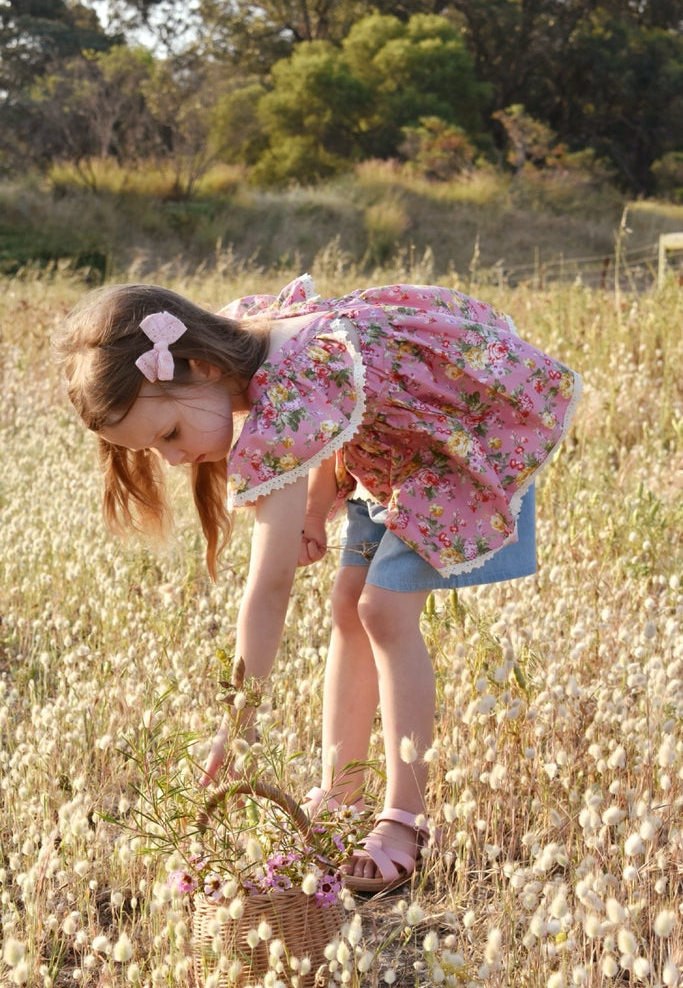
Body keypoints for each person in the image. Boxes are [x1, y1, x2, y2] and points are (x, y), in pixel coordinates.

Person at [53, 274, 581, 895]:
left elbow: (270, 582)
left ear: (196, 364)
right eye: (155, 451)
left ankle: (404, 817)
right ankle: (340, 793)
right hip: (386, 456)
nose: (173, 460)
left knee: (383, 612)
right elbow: (348, 411)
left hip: (449, 447)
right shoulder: (242, 351)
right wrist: (314, 508)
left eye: (169, 434)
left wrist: (241, 711)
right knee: (347, 608)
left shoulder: (282, 395)